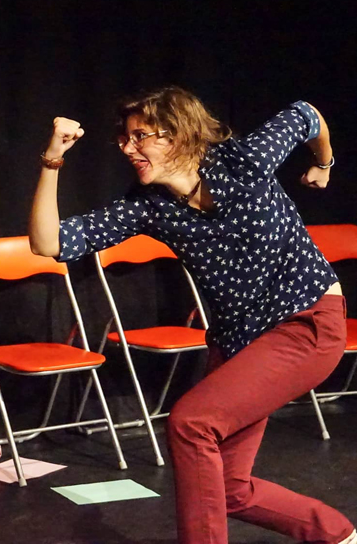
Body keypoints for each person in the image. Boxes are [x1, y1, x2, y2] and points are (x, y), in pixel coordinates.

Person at [28, 86, 354, 544]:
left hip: (305, 321)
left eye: (140, 136)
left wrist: (324, 162)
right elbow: (48, 243)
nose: (128, 148)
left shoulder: (243, 160)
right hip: (239, 342)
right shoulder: (149, 206)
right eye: (123, 139)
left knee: (191, 423)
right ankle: (338, 534)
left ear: (178, 133)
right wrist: (52, 161)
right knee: (229, 489)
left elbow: (307, 113)